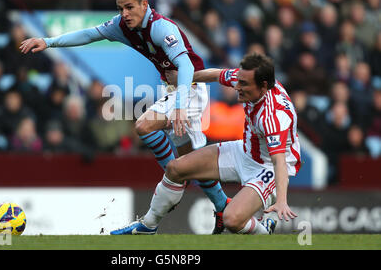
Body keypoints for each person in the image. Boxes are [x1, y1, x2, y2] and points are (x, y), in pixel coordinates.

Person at [20, 0, 229, 234]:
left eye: (129, 7)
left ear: (144, 4)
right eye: (120, 8)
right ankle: (223, 206)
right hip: (172, 89)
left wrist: (180, 105)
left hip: (190, 88)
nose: (124, 14)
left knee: (143, 126)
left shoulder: (162, 27)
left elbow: (185, 66)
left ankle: (173, 184)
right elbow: (89, 34)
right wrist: (48, 41)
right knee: (190, 159)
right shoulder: (121, 26)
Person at [111, 53, 300, 235]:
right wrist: (185, 79)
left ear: (263, 86)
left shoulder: (274, 117)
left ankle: (263, 231)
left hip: (267, 167)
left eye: (243, 84)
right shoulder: (249, 79)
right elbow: (217, 74)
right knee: (175, 168)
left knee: (232, 220)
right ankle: (148, 226)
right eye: (238, 81)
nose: (237, 87)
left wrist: (282, 201)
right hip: (245, 150)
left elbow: (279, 161)